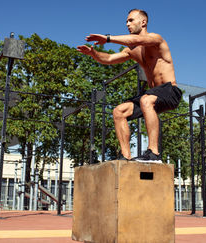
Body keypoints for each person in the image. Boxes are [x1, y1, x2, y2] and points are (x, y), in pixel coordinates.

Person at [77, 9, 182, 163]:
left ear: (143, 22)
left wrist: (107, 38)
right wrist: (95, 54)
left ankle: (154, 153)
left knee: (146, 100)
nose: (127, 24)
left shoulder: (156, 39)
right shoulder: (132, 51)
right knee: (119, 111)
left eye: (131, 20)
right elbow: (110, 58)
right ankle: (125, 156)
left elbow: (135, 41)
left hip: (170, 90)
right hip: (152, 95)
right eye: (126, 21)